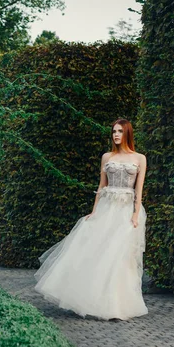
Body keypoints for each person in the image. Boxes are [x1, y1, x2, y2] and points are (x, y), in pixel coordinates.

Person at [34, 118, 148, 320]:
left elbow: (139, 189)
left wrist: (135, 214)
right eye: (114, 131)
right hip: (107, 208)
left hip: (126, 210)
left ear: (128, 133)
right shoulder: (107, 157)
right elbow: (101, 186)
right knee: (100, 252)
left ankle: (118, 305)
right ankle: (94, 301)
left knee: (120, 256)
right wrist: (94, 212)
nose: (116, 135)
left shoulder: (140, 158)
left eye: (120, 131)